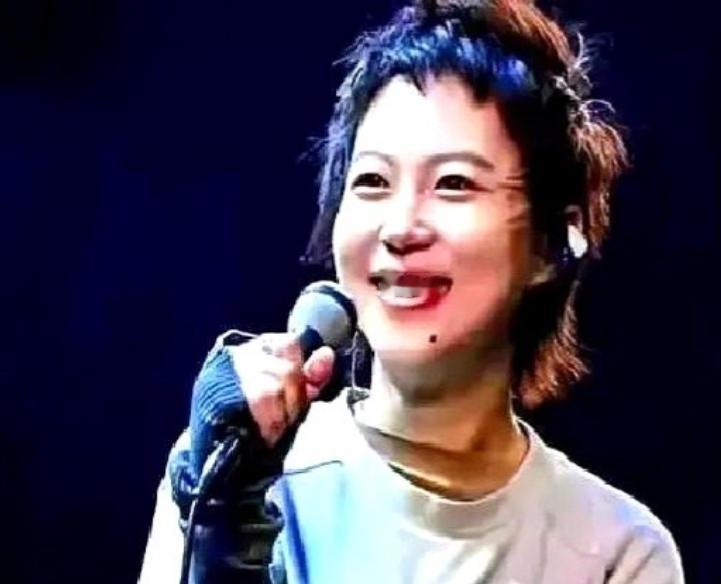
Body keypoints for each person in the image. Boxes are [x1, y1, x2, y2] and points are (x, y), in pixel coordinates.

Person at [139, 0, 684, 581]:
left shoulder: (616, 552)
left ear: (551, 242)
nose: (400, 228)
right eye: (373, 181)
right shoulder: (232, 474)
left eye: (454, 183)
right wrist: (221, 528)